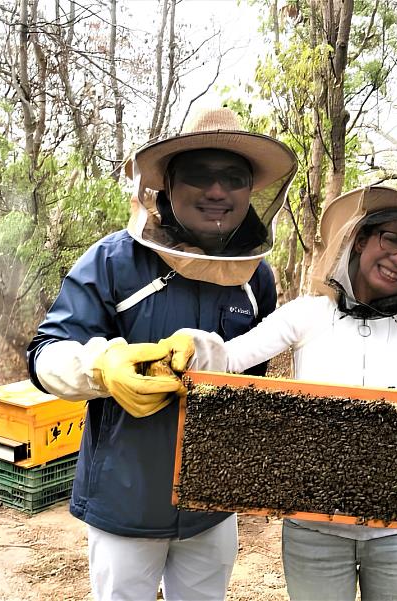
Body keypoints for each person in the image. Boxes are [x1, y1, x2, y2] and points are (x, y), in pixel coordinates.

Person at [179, 184, 397, 601]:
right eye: (392, 239)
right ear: (361, 238)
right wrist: (186, 348)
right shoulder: (306, 315)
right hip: (312, 532)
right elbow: (227, 359)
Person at [25, 106, 297, 601]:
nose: (217, 192)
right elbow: (45, 355)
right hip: (124, 499)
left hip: (213, 503)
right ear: (168, 184)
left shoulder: (257, 278)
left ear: (250, 192)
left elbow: (249, 380)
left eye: (233, 179)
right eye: (199, 175)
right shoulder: (111, 261)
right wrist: (100, 368)